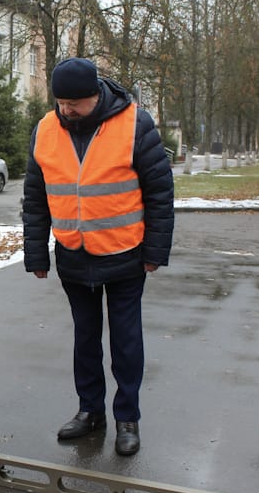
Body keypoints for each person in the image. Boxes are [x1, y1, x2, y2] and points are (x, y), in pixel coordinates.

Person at [22, 57, 174, 456]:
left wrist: (156, 250)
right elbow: (35, 198)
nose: (66, 110)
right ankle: (90, 412)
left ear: (96, 95)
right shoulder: (45, 129)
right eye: (60, 102)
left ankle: (128, 418)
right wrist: (36, 251)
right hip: (73, 255)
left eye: (75, 103)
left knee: (125, 342)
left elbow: (160, 193)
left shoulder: (134, 124)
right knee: (85, 342)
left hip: (126, 255)